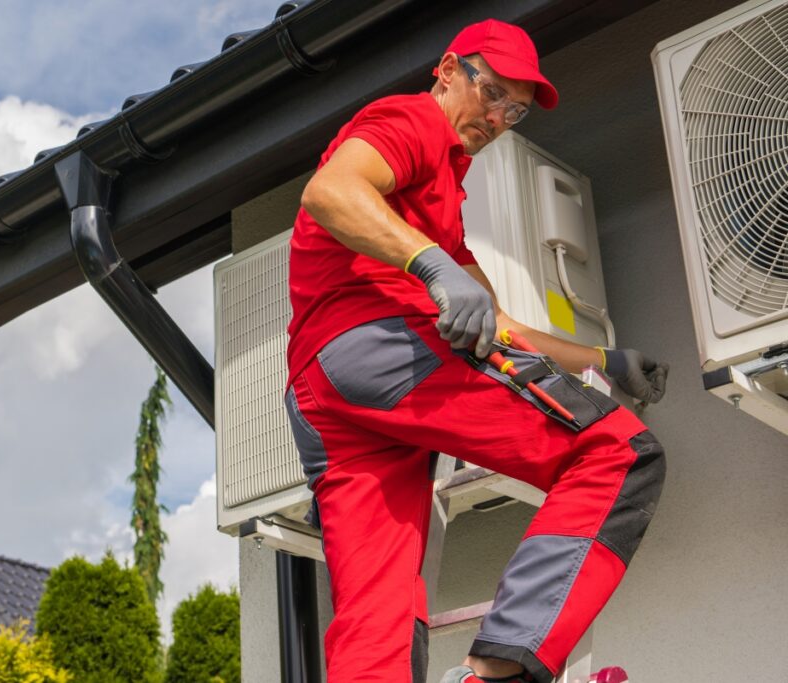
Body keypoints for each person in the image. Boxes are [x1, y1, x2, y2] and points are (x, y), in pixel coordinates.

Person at [282, 18, 669, 683]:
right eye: (491, 93)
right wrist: (432, 266)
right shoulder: (410, 123)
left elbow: (501, 324)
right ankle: (501, 670)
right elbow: (329, 192)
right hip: (376, 346)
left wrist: (597, 361)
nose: (497, 116)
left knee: (377, 602)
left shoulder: (443, 202)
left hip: (325, 394)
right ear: (447, 69)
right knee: (617, 451)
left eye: (514, 111)